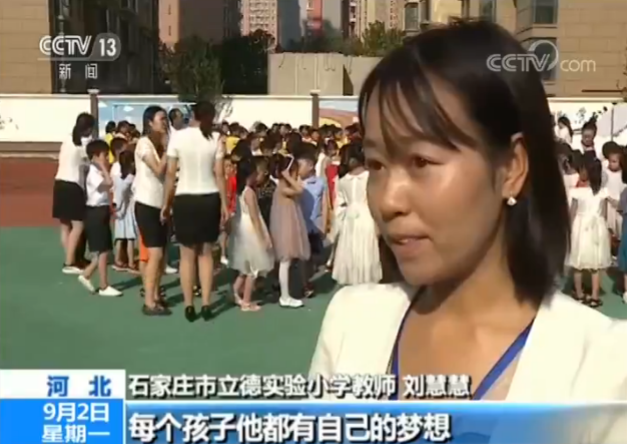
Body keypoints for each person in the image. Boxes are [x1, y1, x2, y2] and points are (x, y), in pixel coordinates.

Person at [309, 21, 627, 412]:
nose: (388, 201)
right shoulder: (352, 322)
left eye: (421, 161)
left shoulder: (604, 367)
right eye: (376, 164)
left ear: (511, 168)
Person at [163, 101, 228, 322]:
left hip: (184, 198)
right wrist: (225, 204)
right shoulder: (216, 138)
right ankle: (207, 303)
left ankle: (189, 304)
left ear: (193, 114)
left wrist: (165, 203)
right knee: (206, 253)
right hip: (209, 198)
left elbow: (170, 174)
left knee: (186, 256)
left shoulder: (178, 137)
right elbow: (220, 174)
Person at [134, 106, 170, 316]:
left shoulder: (159, 144)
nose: (165, 122)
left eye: (166, 119)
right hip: (146, 203)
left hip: (161, 204)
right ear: (150, 122)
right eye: (161, 119)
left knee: (162, 255)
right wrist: (167, 149)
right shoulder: (144, 144)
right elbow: (158, 169)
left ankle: (156, 294)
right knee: (155, 253)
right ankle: (149, 302)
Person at [331, 142, 382, 285]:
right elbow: (375, 200)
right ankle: (366, 281)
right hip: (367, 216)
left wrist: (337, 224)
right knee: (366, 250)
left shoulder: (342, 180)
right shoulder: (370, 176)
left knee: (352, 249)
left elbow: (339, 204)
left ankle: (354, 282)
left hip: (349, 218)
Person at [228, 157, 275, 312]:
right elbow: (255, 217)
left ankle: (235, 292)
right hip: (251, 228)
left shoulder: (240, 191)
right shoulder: (250, 193)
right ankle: (247, 301)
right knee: (253, 268)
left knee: (245, 267)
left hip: (242, 227)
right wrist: (263, 237)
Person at [77, 139, 122, 297]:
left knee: (104, 250)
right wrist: (103, 166)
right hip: (95, 212)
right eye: (104, 155)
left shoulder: (98, 172)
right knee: (102, 251)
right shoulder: (93, 174)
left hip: (101, 211)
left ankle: (87, 275)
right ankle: (103, 285)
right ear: (95, 157)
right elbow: (108, 184)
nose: (107, 158)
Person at [52, 112, 95, 274]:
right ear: (88, 128)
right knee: (78, 225)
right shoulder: (85, 144)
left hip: (59, 183)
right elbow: (88, 164)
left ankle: (70, 258)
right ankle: (69, 262)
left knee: (65, 226)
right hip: (73, 185)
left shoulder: (67, 139)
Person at [569, 158, 611, 306]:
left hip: (580, 227)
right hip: (597, 228)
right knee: (595, 264)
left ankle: (579, 294)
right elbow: (604, 214)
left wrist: (569, 229)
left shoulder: (577, 192)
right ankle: (595, 296)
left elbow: (572, 213)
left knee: (577, 262)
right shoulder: (603, 192)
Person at [270, 154, 310, 308]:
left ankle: (285, 294)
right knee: (285, 261)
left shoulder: (284, 186)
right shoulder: (283, 187)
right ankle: (284, 296)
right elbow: (300, 189)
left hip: (289, 224)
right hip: (285, 227)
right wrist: (287, 176)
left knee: (287, 261)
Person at [298, 148, 329, 297]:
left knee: (315, 256)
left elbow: (325, 204)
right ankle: (305, 285)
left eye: (300, 166)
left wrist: (325, 223)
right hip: (302, 224)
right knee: (304, 257)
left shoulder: (321, 182)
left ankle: (308, 278)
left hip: (316, 224)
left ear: (310, 166)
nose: (298, 169)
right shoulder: (298, 184)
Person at [113, 150, 138, 272]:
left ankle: (118, 260)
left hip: (119, 211)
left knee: (120, 236)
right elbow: (122, 193)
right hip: (128, 210)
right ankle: (131, 262)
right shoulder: (131, 178)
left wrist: (117, 206)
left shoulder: (117, 178)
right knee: (130, 238)